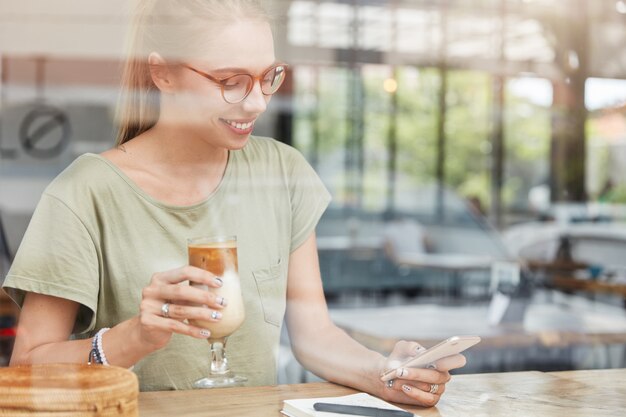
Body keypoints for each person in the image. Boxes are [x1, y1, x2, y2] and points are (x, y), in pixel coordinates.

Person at [2, 0, 465, 406]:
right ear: (162, 73)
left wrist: (386, 374)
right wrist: (132, 337)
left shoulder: (281, 173)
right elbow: (27, 367)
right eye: (231, 81)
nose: (258, 103)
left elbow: (315, 336)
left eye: (268, 78)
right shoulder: (85, 192)